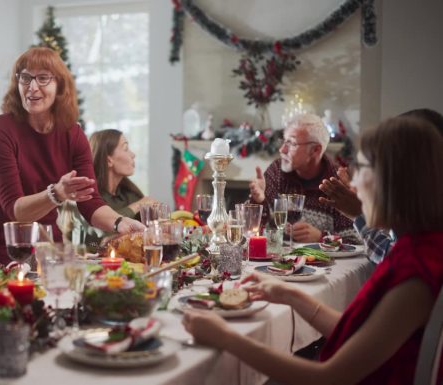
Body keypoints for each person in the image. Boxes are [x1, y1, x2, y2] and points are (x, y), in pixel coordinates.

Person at [183, 116, 443, 384]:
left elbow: (329, 376)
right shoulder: (417, 249)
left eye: (362, 168)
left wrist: (226, 338)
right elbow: (357, 333)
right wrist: (291, 294)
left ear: (392, 180)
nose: (352, 185)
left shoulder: (416, 269)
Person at [0, 47, 143, 269]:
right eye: (25, 77)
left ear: (60, 86)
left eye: (43, 78)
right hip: (6, 248)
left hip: (46, 246)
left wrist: (121, 222)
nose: (32, 87)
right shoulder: (1, 129)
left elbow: (91, 202)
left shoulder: (73, 135)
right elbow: (15, 210)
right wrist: (56, 193)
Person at [319, 108, 443, 264]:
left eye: (364, 167)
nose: (355, 182)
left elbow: (397, 260)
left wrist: (360, 214)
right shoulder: (419, 223)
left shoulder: (420, 256)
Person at [248, 113, 359, 243]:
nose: (282, 150)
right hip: (279, 260)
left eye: (292, 143)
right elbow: (253, 230)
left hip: (324, 263)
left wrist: (321, 237)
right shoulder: (276, 171)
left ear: (315, 150)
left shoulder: (336, 182)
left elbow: (355, 242)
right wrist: (259, 200)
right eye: (284, 141)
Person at [89, 129, 158, 219]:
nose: (133, 155)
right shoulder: (90, 198)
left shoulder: (129, 193)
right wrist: (139, 205)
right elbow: (103, 228)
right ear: (108, 161)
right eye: (125, 149)